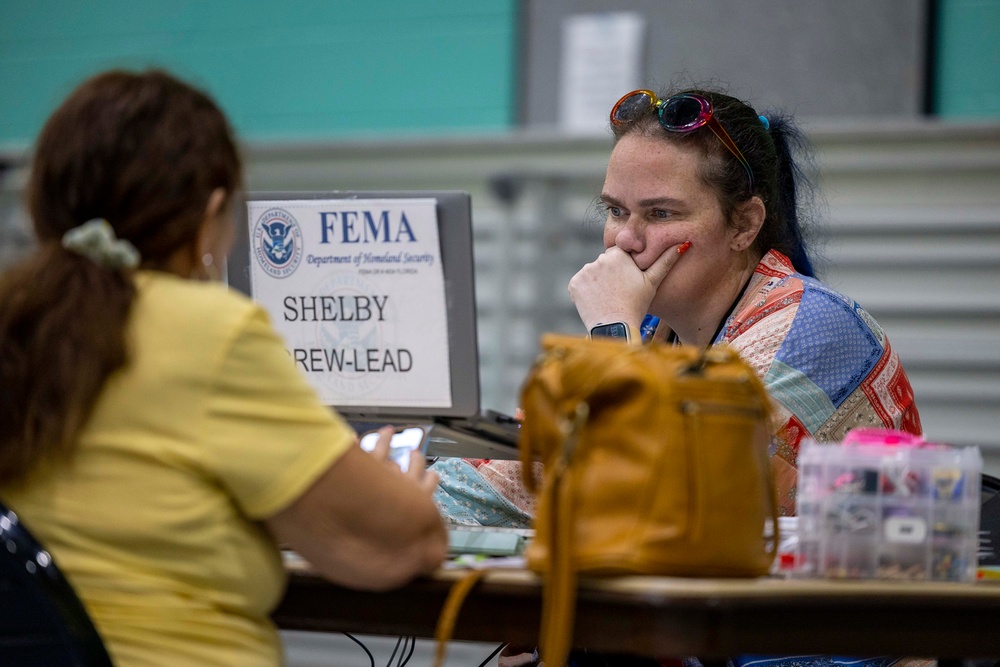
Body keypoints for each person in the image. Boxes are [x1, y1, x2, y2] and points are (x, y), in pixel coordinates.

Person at [435, 84, 926, 667]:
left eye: (659, 213)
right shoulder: (661, 338)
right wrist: (392, 488)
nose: (624, 240)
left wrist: (612, 332)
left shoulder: (810, 329)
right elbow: (528, 464)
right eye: (615, 211)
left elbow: (649, 496)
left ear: (744, 225)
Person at [0, 69, 447, 667]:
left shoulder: (15, 321)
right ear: (210, 213)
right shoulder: (206, 329)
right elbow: (403, 543)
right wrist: (398, 495)